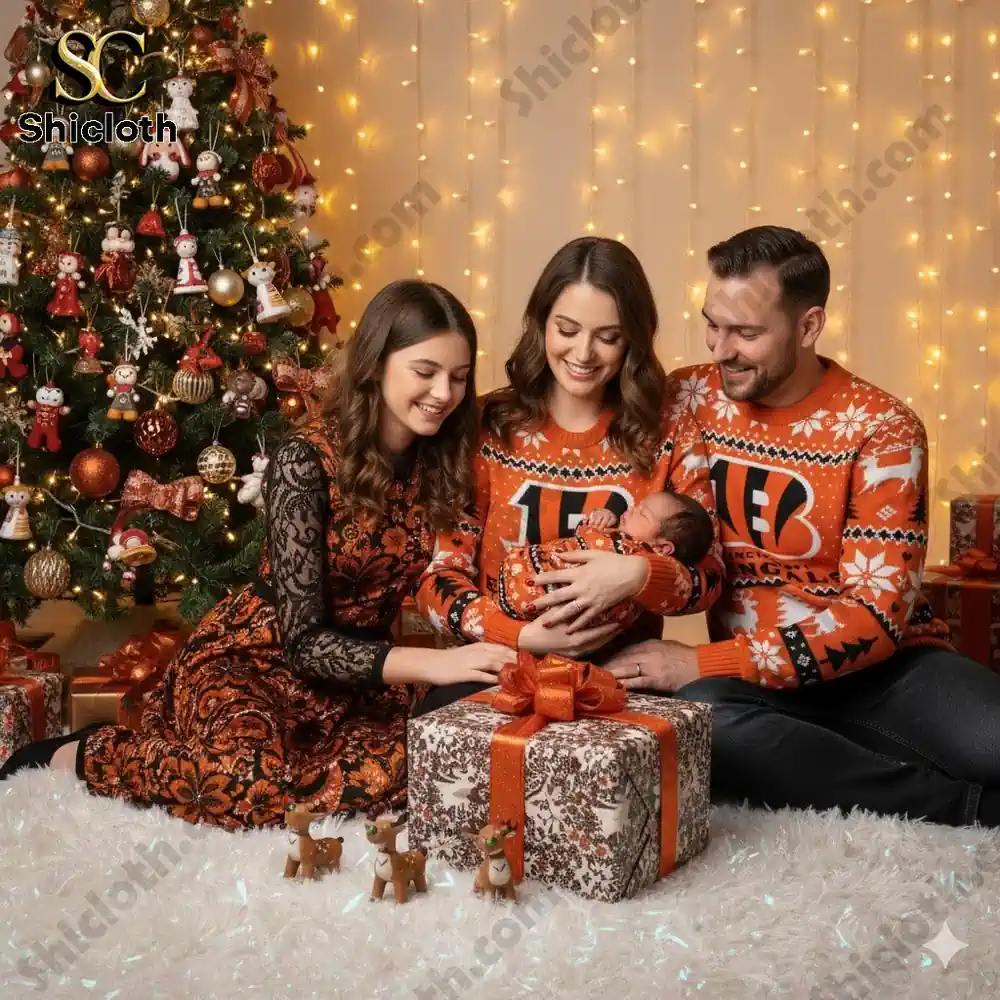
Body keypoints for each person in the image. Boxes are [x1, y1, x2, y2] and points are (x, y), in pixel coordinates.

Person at [0, 280, 517, 829]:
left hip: (363, 681)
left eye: (459, 378)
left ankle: (259, 764)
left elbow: (536, 400)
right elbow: (305, 643)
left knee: (425, 766)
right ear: (377, 363)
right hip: (258, 660)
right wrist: (437, 664)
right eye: (425, 371)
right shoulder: (305, 459)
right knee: (247, 780)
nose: (444, 393)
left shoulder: (445, 459)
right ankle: (86, 754)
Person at [602, 224, 1000, 829]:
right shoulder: (687, 398)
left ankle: (850, 762)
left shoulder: (881, 428)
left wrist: (699, 661)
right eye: (712, 323)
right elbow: (570, 406)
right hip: (750, 685)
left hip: (889, 673)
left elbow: (877, 616)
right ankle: (962, 807)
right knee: (705, 720)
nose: (719, 348)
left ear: (809, 326)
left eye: (747, 332)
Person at [413, 236, 725, 715]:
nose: (584, 352)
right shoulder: (487, 426)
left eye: (608, 336)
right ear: (541, 324)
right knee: (433, 728)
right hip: (505, 670)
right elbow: (438, 581)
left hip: (622, 681)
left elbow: (710, 577)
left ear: (633, 341)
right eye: (567, 328)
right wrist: (519, 634)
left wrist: (640, 574)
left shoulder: (667, 432)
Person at [498, 491, 715, 629]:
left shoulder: (634, 554)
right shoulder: (617, 536)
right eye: (637, 505)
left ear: (663, 547)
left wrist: (640, 573)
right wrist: (600, 521)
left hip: (540, 600)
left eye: (642, 514)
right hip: (522, 590)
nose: (630, 510)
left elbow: (711, 579)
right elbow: (582, 539)